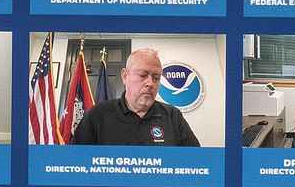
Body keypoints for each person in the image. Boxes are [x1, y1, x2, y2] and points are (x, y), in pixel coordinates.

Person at [71, 48, 200, 146]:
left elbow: (196, 161)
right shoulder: (98, 115)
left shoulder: (173, 116)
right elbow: (75, 161)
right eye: (143, 75)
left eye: (156, 78)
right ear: (125, 76)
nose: (150, 83)